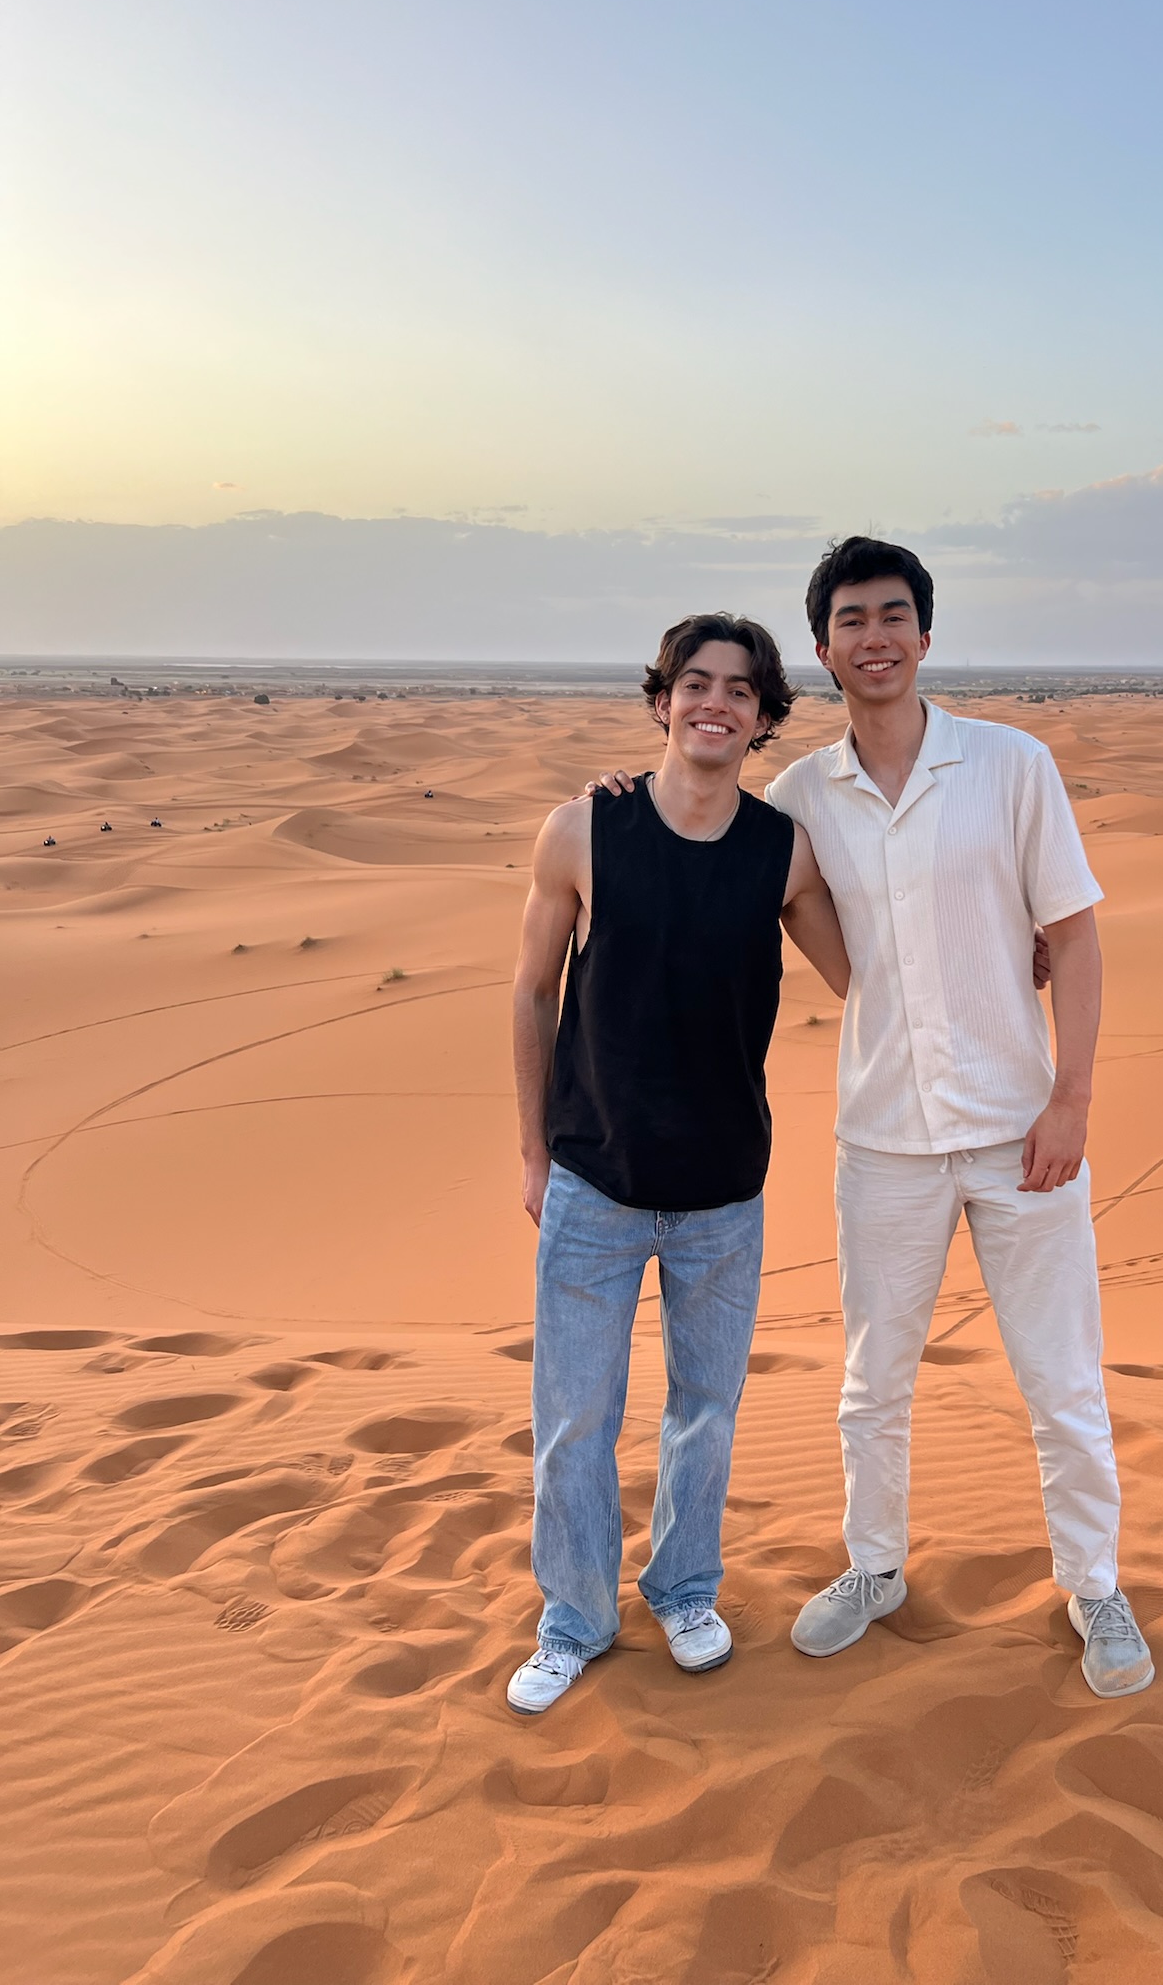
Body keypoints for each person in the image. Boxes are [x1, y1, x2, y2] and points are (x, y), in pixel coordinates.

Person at [595, 537, 1152, 1699]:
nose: (876, 637)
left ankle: (1095, 1583)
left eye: (895, 615)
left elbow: (1080, 933)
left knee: (1061, 1377)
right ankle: (874, 1565)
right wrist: (616, 797)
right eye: (852, 619)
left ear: (927, 636)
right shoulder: (798, 799)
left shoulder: (1010, 765)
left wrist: (1072, 1096)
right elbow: (718, 844)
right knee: (871, 1378)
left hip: (1021, 1129)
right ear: (824, 646)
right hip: (884, 1137)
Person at [506, 613, 849, 1715]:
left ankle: (686, 1589)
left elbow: (870, 974)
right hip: (593, 1180)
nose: (714, 703)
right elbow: (531, 990)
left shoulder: (780, 849)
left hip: (721, 1193)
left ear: (762, 717)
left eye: (739, 691)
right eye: (693, 683)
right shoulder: (582, 830)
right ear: (661, 702)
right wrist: (530, 1149)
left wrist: (1019, 941)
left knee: (706, 1409)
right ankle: (574, 1617)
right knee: (574, 1418)